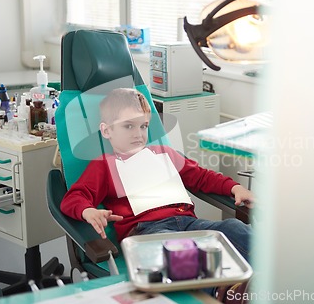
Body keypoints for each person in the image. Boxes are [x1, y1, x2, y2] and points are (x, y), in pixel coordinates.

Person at [60, 88, 254, 261]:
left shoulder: (165, 154)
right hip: (148, 232)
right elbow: (75, 197)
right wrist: (89, 211)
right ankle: (223, 290)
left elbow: (201, 177)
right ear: (106, 130)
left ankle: (268, 277)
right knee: (177, 255)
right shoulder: (104, 165)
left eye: (143, 126)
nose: (138, 133)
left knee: (233, 228)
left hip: (189, 224)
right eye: (128, 126)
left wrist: (234, 187)